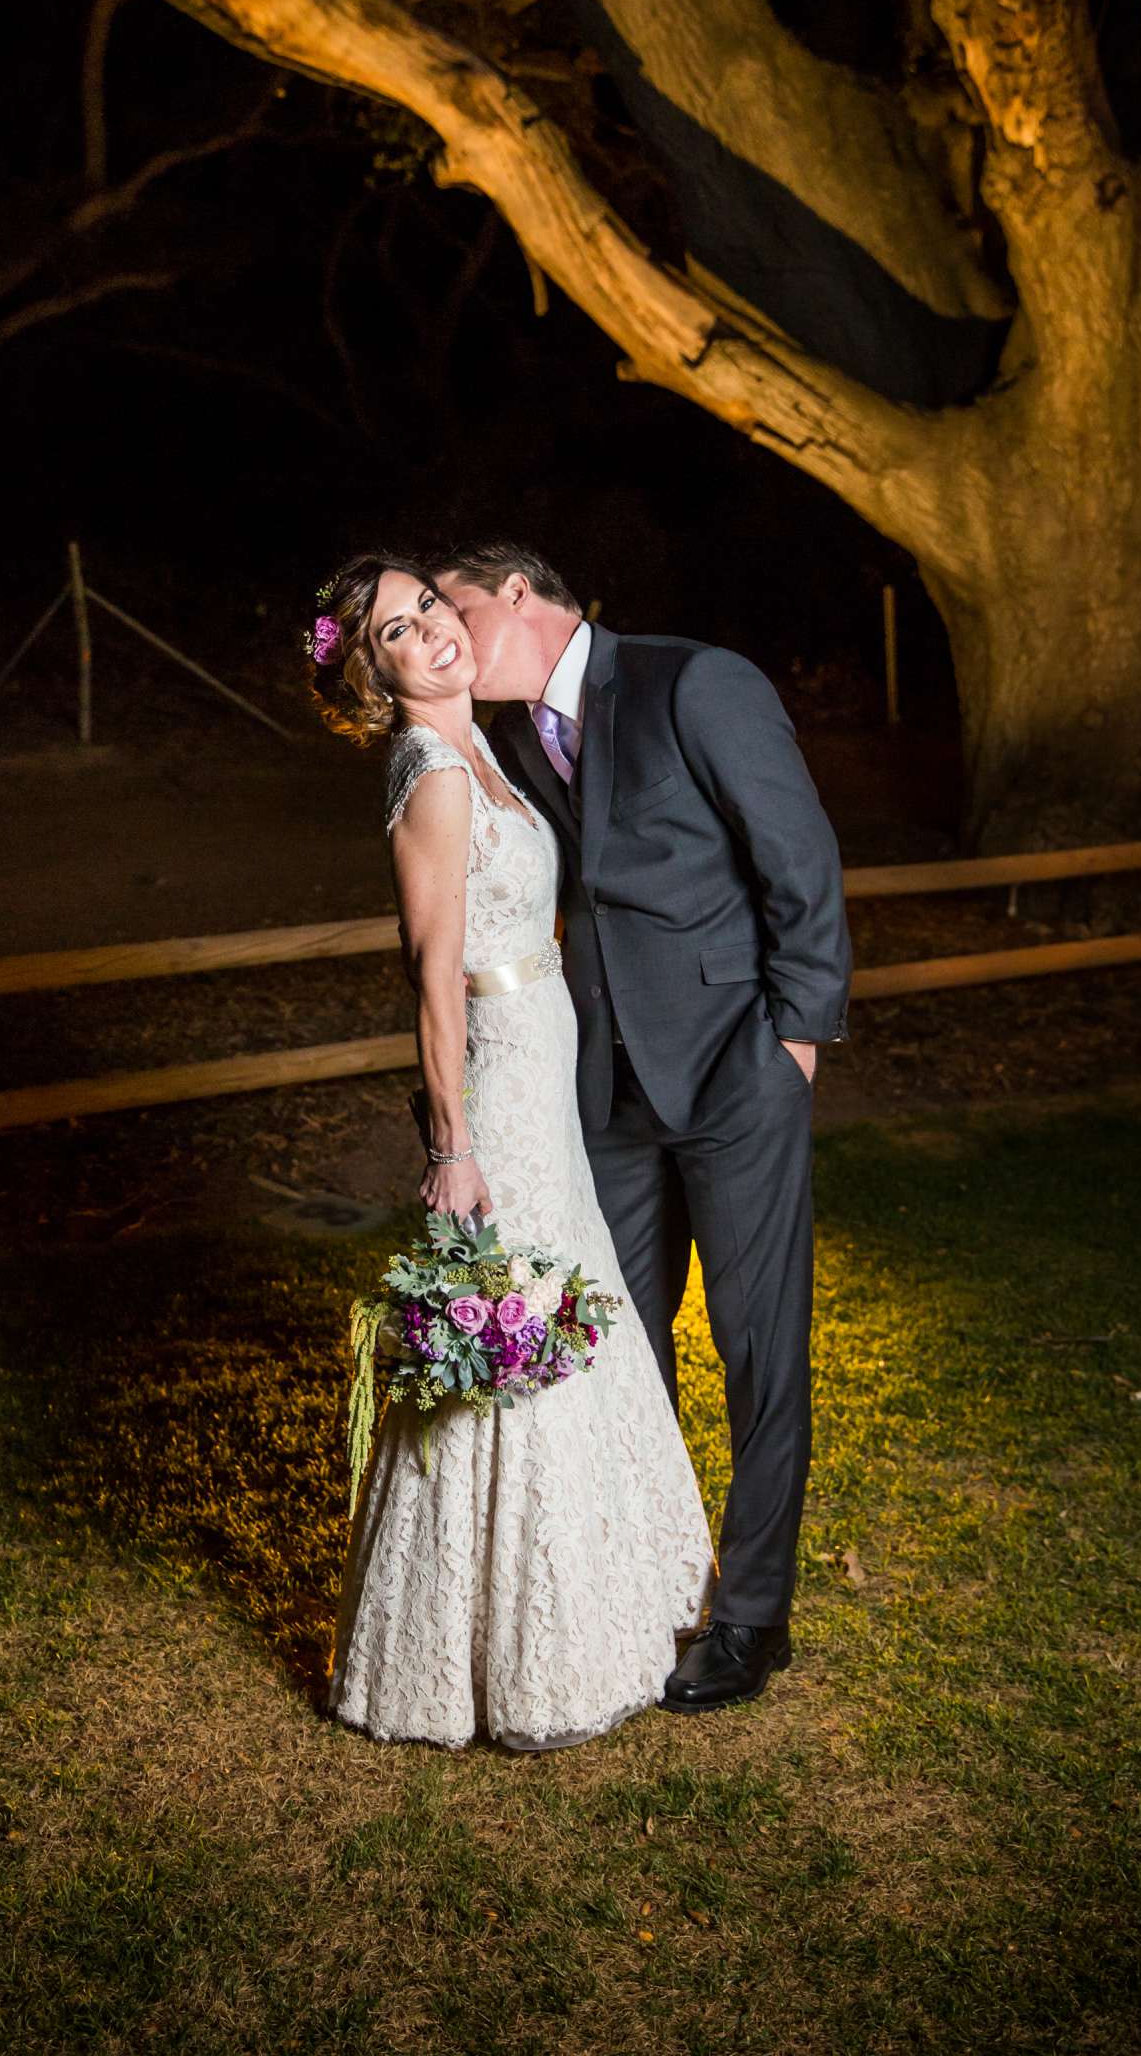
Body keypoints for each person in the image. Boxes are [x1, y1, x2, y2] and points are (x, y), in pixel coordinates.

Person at [432, 542, 851, 1716]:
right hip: (599, 1094)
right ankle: (651, 1577)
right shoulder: (506, 733)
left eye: (454, 607)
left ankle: (753, 1618)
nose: (450, 636)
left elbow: (798, 862)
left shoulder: (693, 683)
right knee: (621, 1349)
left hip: (735, 1070)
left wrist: (794, 1042)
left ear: (515, 590)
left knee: (759, 1351)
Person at [309, 553, 713, 1752]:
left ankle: (606, 1600)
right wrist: (451, 1142)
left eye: (428, 606)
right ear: (378, 679)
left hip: (542, 1056)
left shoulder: (482, 745)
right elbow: (430, 971)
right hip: (494, 1077)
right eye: (397, 630)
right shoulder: (430, 773)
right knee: (509, 1326)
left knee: (558, 1300)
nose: (432, 629)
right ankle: (501, 1659)